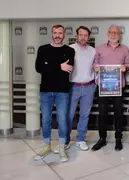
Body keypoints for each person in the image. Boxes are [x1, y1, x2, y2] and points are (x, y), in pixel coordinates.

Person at [34, 24, 75, 162]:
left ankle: (62, 147)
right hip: (45, 91)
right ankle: (46, 146)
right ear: (52, 34)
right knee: (45, 120)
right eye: (55, 33)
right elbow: (39, 67)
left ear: (64, 35)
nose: (58, 35)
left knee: (62, 120)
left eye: (60, 33)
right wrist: (59, 66)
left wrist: (49, 65)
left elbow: (68, 68)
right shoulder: (43, 49)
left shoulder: (70, 51)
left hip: (62, 91)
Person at [55, 26, 96, 153]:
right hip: (73, 87)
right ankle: (65, 141)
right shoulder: (69, 49)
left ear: (88, 37)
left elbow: (96, 67)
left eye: (85, 35)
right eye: (81, 35)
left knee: (84, 115)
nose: (83, 37)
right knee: (68, 115)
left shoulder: (93, 51)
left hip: (89, 86)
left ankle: (80, 140)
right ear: (76, 35)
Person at [92, 25, 129, 151]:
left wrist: (126, 68)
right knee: (102, 113)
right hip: (102, 86)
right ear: (107, 33)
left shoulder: (125, 49)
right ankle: (102, 139)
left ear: (120, 35)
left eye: (116, 33)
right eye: (111, 32)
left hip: (117, 87)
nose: (113, 34)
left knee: (118, 114)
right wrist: (95, 67)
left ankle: (118, 138)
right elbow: (94, 64)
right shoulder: (99, 49)